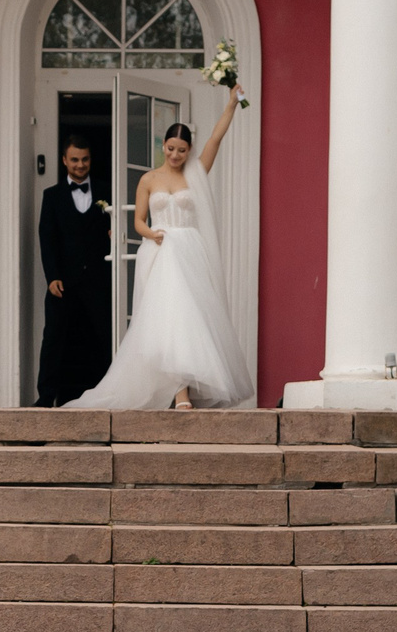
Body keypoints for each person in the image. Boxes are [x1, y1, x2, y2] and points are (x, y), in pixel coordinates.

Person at [64, 86, 252, 410]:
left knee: (189, 319)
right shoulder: (149, 179)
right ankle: (179, 393)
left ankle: (184, 391)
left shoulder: (196, 174)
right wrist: (151, 234)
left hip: (190, 252)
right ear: (162, 146)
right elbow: (137, 221)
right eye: (170, 148)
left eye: (181, 150)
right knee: (168, 319)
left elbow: (215, 140)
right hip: (161, 251)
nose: (175, 155)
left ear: (188, 150)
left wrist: (232, 104)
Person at [37, 136, 114, 406]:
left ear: (90, 159)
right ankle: (46, 398)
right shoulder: (52, 196)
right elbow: (47, 239)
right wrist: (52, 277)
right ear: (64, 161)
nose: (80, 165)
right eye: (75, 160)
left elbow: (117, 233)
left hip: (99, 280)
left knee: (103, 338)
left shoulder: (108, 190)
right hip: (63, 282)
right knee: (54, 339)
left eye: (85, 159)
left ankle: (107, 395)